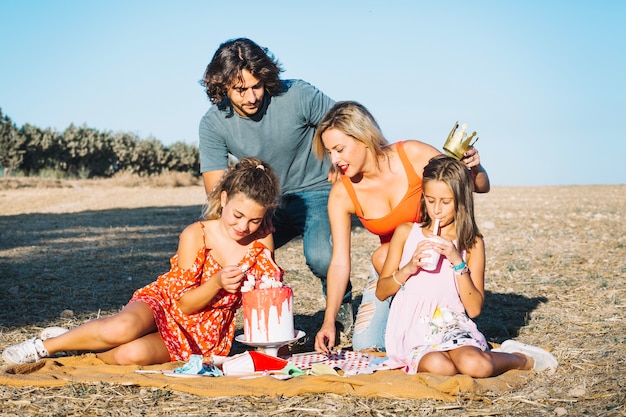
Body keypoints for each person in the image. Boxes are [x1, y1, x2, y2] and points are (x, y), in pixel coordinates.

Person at [2, 158, 283, 366]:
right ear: (223, 199)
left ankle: (80, 345)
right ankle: (45, 346)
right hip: (168, 304)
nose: (244, 226)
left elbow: (268, 299)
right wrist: (217, 282)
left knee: (129, 354)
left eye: (254, 220)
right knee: (121, 329)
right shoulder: (196, 234)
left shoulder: (261, 242)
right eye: (237, 215)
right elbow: (183, 304)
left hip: (203, 335)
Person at [198, 38, 354, 333]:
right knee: (221, 250)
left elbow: (344, 126)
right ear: (222, 87)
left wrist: (339, 164)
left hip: (318, 190)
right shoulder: (212, 123)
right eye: (240, 90)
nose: (251, 97)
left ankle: (340, 308)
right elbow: (217, 191)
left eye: (256, 86)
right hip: (265, 203)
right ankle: (221, 324)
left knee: (321, 257)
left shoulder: (297, 94)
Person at [313, 101, 491, 352]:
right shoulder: (342, 193)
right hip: (396, 269)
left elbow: (475, 185)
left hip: (441, 262)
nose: (334, 159)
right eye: (330, 152)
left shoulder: (412, 155)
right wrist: (328, 321)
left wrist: (474, 167)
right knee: (367, 345)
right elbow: (340, 262)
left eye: (339, 149)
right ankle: (407, 314)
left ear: (363, 137)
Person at [376, 155, 557, 375]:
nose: (437, 210)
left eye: (446, 201)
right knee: (440, 367)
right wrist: (408, 268)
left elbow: (474, 308)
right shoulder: (406, 233)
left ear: (461, 200)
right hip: (412, 328)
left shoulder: (472, 244)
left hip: (452, 324)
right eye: (430, 200)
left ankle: (520, 358)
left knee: (475, 366)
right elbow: (381, 292)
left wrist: (457, 261)